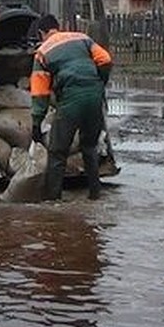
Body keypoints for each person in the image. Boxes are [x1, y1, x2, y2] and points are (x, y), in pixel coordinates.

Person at [29, 14, 114, 200]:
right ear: (57, 27)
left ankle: (54, 200)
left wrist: (36, 122)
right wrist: (99, 83)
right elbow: (105, 59)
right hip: (94, 97)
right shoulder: (81, 38)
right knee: (90, 147)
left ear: (42, 33)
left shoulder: (42, 52)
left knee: (58, 152)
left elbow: (40, 92)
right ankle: (95, 194)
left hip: (71, 101)